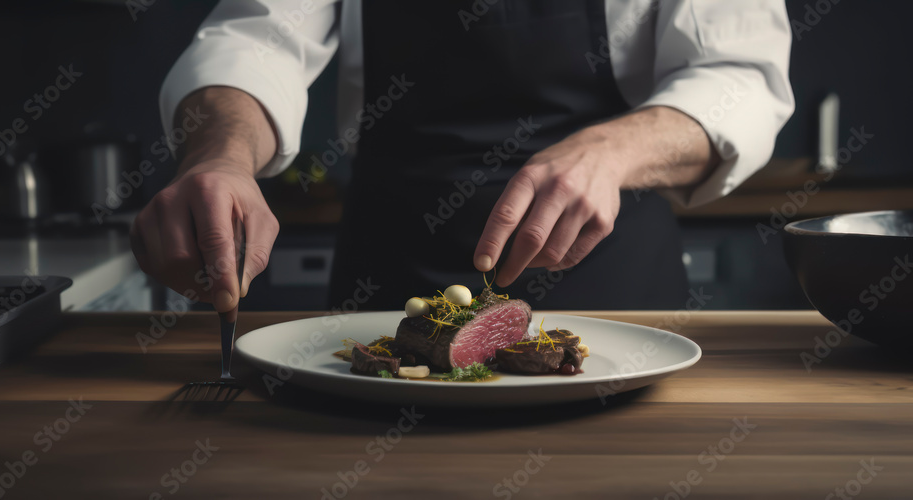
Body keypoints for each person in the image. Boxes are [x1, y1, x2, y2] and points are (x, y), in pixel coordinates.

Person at [131, 0, 794, 313]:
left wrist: (614, 148)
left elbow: (743, 74)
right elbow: (258, 39)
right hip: (389, 283)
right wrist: (217, 156)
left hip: (611, 285)